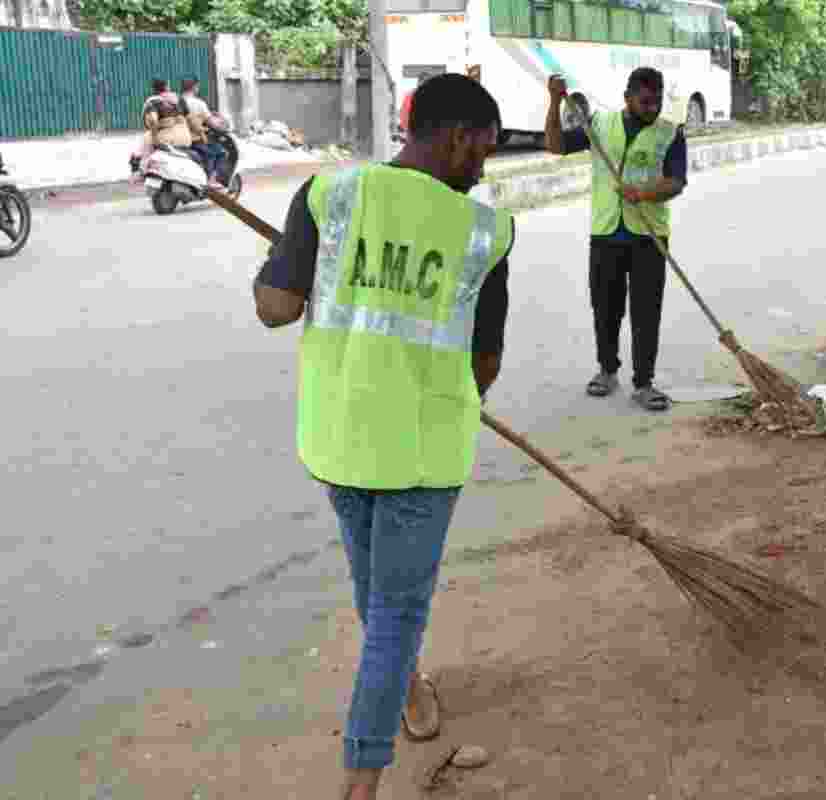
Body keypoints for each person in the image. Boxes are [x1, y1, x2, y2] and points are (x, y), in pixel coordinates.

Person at [250, 73, 512, 800]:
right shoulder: (485, 230)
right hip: (423, 455)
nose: (483, 168)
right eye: (483, 151)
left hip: (338, 438)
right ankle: (361, 785)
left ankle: (404, 681)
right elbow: (484, 362)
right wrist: (460, 392)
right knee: (396, 611)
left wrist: (283, 266)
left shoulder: (330, 195)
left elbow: (275, 307)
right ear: (457, 137)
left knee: (376, 590)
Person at [543, 67, 686, 412]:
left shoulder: (670, 133)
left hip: (649, 236)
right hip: (606, 233)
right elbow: (555, 144)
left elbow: (676, 182)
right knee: (605, 309)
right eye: (646, 101)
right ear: (628, 98)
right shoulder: (601, 126)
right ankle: (607, 370)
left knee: (646, 311)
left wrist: (643, 192)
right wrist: (553, 101)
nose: (653, 108)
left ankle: (644, 382)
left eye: (657, 101)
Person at [130, 79, 191, 177]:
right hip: (185, 139)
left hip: (166, 139)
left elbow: (153, 120)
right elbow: (189, 118)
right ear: (167, 87)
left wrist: (154, 137)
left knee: (143, 144)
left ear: (154, 89)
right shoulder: (179, 99)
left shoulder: (153, 101)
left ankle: (139, 172)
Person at [180, 77, 225, 188]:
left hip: (179, 139)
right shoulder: (198, 103)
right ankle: (211, 180)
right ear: (195, 87)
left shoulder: (176, 102)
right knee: (219, 152)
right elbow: (212, 123)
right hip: (195, 139)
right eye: (197, 87)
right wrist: (221, 124)